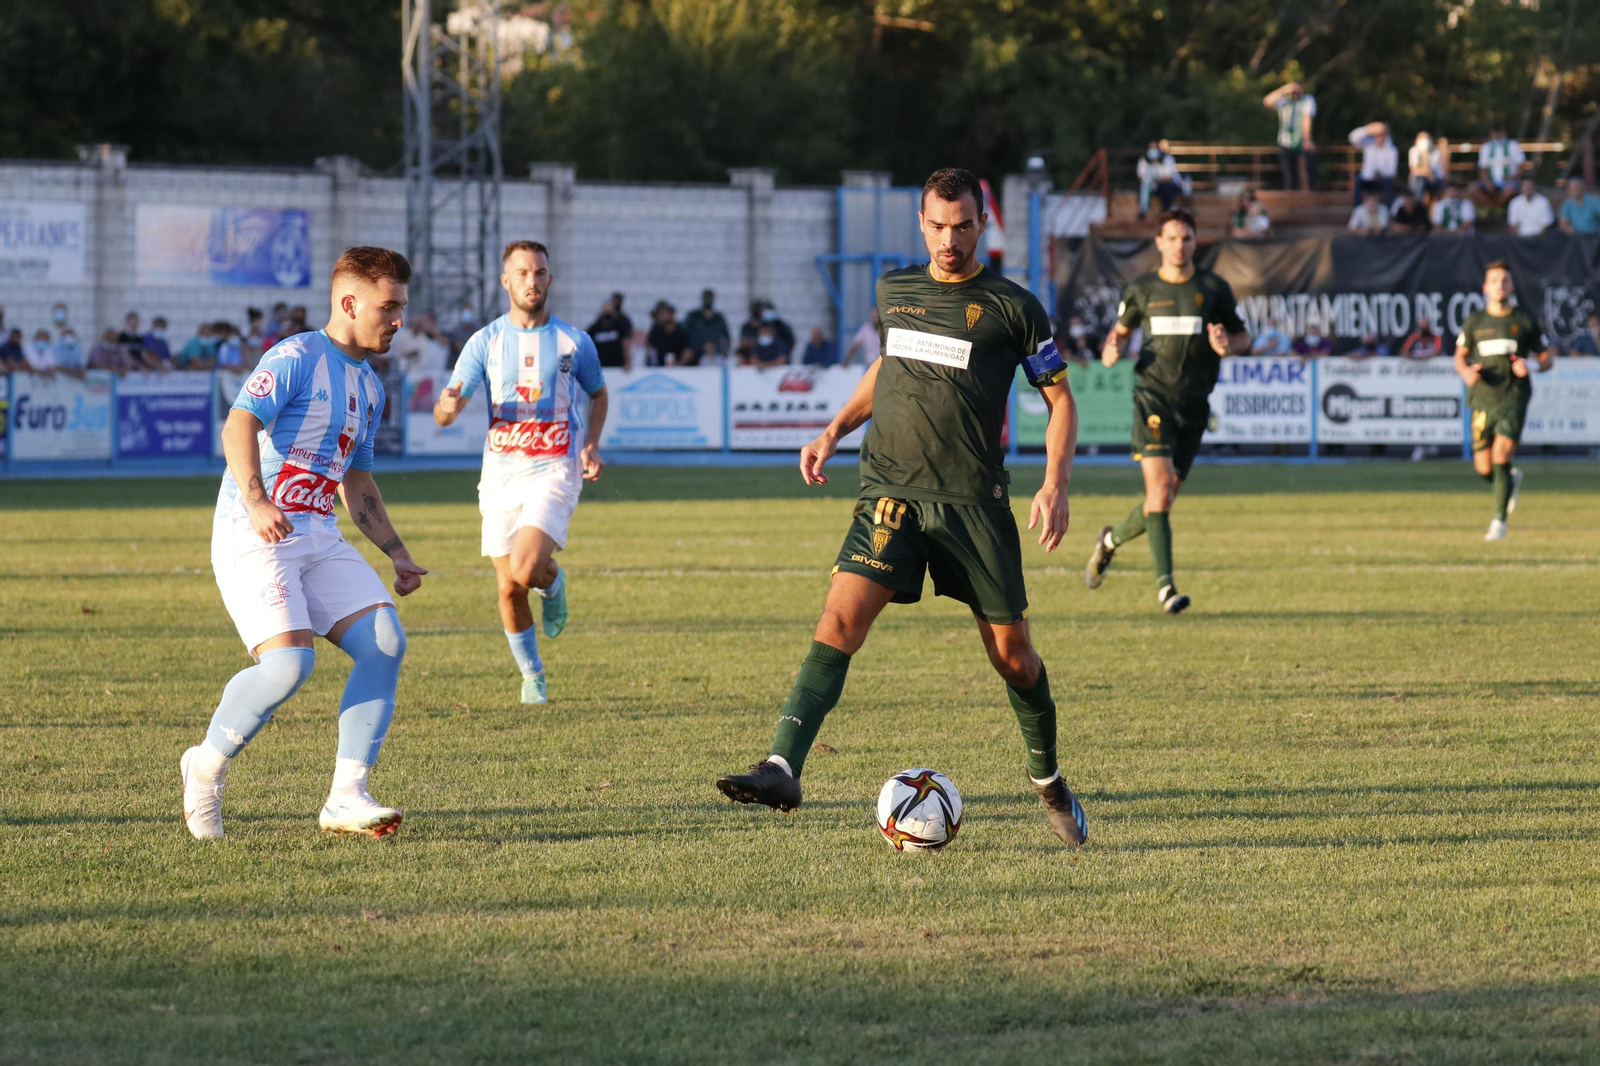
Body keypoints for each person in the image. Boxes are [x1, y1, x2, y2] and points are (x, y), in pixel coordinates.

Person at [713, 167, 1088, 848]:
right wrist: (832, 430)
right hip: (890, 494)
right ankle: (781, 766)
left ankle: (1048, 779)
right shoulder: (896, 291)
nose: (950, 238)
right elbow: (888, 366)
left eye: (964, 225)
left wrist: (1055, 484)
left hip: (973, 504)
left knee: (1014, 659)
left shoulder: (1014, 306)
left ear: (981, 225)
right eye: (938, 225)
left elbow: (1061, 399)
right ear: (921, 222)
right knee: (838, 618)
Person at [180, 246, 428, 842]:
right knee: (290, 666)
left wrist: (394, 550)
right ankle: (204, 766)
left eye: (401, 307)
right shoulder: (294, 357)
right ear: (349, 303)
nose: (398, 320)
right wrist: (258, 499)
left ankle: (347, 796)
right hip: (255, 532)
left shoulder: (370, 386)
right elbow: (237, 424)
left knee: (385, 641)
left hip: (317, 534)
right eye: (388, 307)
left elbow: (356, 479)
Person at [433, 241, 607, 705]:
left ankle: (550, 580)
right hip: (500, 474)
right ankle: (532, 676)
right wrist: (448, 408)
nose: (533, 281)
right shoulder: (485, 341)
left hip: (556, 468)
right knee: (509, 587)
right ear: (506, 281)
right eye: (523, 273)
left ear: (550, 278)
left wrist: (590, 443)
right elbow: (445, 410)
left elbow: (599, 394)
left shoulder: (575, 341)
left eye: (541, 272)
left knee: (527, 568)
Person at [1087, 208, 1251, 615]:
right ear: (1159, 242)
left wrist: (1227, 345)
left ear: (1196, 243)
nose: (1180, 246)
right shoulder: (1141, 290)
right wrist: (1111, 349)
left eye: (1187, 239)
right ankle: (1166, 588)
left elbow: (1243, 335)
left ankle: (1109, 541)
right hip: (1153, 401)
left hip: (1194, 407)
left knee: (1161, 500)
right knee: (1158, 493)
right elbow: (1120, 334)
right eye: (1172, 238)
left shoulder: (1213, 288)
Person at [1454, 260, 1552, 541]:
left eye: (1505, 280)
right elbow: (1460, 356)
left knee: (1501, 454)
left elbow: (1547, 358)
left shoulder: (1523, 321)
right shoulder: (1474, 322)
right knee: (1485, 467)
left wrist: (1530, 366)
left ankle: (1499, 523)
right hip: (1483, 398)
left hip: (1514, 397)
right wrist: (1465, 371)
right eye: (1494, 280)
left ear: (1512, 285)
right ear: (1485, 287)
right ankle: (1510, 479)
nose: (1500, 285)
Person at [1264, 81, 1317, 190]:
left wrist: (1306, 139)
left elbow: (1307, 119)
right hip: (1285, 141)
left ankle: (1307, 196)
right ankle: (1290, 198)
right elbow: (1267, 101)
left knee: (1305, 172)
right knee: (1289, 174)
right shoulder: (1284, 101)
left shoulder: (1307, 100)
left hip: (1301, 141)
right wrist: (1284, 89)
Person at [1472, 127, 1525, 210]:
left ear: (1504, 132)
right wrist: (1487, 182)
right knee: (1472, 189)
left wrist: (1511, 176)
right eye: (1494, 133)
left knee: (1510, 190)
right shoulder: (1486, 147)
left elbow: (1521, 166)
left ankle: (1494, 209)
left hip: (1509, 180)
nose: (1497, 135)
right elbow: (1482, 169)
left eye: (1499, 132)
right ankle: (1492, 208)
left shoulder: (1513, 145)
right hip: (1491, 180)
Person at [1347, 122, 1398, 206]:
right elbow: (1352, 137)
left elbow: (1392, 171)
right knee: (1358, 181)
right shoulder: (1369, 144)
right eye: (1377, 134)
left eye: (1382, 134)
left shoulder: (1392, 149)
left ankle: (1388, 212)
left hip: (1382, 180)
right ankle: (1358, 210)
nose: (1379, 137)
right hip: (1367, 179)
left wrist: (1381, 175)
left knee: (1390, 184)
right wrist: (1368, 129)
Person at [392, 310, 451, 378]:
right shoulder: (414, 336)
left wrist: (432, 331)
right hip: (415, 374)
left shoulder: (441, 334)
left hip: (436, 375)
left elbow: (445, 343)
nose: (427, 324)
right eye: (426, 321)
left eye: (430, 321)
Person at [1136, 141, 1184, 216]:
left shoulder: (1166, 158)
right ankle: (1143, 210)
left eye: (1155, 148)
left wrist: (1157, 179)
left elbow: (1168, 177)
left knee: (1166, 186)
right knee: (1144, 186)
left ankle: (1167, 210)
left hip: (1167, 185)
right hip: (1151, 185)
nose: (1153, 150)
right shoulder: (1144, 160)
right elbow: (1141, 176)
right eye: (1151, 148)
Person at [585, 297, 632, 370]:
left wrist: (628, 362)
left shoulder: (619, 326)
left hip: (617, 367)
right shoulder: (595, 328)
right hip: (600, 367)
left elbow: (625, 344)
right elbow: (587, 345)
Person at [684, 289, 730, 360]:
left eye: (710, 297)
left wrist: (715, 347)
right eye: (706, 297)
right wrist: (701, 346)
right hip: (695, 357)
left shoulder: (719, 318)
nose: (708, 300)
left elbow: (726, 338)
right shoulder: (693, 317)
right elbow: (685, 336)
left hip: (716, 357)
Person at [646, 301, 692, 366]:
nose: (661, 316)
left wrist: (678, 365)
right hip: (660, 367)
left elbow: (687, 352)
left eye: (664, 314)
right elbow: (649, 348)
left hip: (679, 368)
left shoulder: (682, 331)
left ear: (671, 314)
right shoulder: (656, 330)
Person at [1407, 132, 1439, 201]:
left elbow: (1434, 170)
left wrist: (1426, 155)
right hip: (1422, 179)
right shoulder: (1413, 151)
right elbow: (1413, 170)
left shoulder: (1436, 152)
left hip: (1435, 180)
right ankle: (1417, 202)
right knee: (1418, 180)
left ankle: (1417, 203)